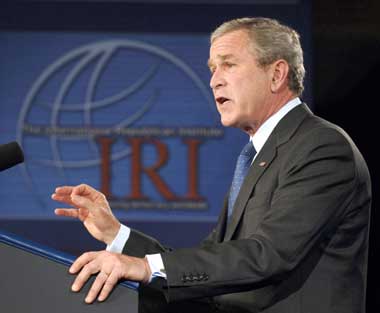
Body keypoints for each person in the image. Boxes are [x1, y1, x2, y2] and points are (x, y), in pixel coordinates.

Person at [52, 17, 371, 313]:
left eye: (228, 65)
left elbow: (268, 256)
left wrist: (145, 268)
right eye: (211, 69)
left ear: (276, 74)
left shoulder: (321, 147)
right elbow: (210, 265)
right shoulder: (256, 156)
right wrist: (117, 234)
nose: (214, 81)